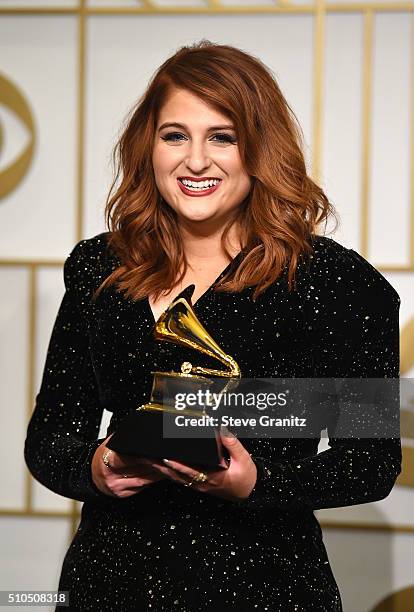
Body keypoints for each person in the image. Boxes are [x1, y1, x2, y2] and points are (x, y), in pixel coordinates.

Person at [24, 41, 401, 611]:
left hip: (266, 587)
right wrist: (99, 469)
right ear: (147, 147)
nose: (195, 161)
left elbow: (371, 465)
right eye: (175, 135)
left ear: (258, 150)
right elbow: (50, 439)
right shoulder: (99, 268)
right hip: (108, 582)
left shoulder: (335, 282)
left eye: (222, 137)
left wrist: (257, 483)